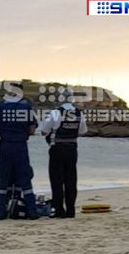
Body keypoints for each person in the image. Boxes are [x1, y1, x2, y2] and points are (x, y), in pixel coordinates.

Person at [0, 83, 39, 220]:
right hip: (20, 146)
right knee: (25, 178)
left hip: (5, 146)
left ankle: (1, 212)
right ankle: (32, 211)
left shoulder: (2, 107)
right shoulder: (26, 108)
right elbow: (32, 129)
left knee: (2, 178)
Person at [40, 88, 88, 218]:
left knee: (56, 180)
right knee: (71, 180)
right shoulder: (79, 113)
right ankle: (71, 210)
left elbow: (44, 130)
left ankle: (59, 210)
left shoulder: (56, 112)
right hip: (72, 148)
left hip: (57, 148)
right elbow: (83, 131)